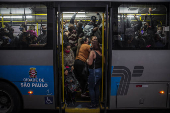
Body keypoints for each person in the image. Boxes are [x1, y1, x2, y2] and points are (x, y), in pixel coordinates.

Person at [86, 40, 103, 108]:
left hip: (94, 72)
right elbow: (104, 61)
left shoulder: (93, 52)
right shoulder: (101, 52)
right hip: (100, 71)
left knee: (91, 88)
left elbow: (90, 63)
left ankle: (93, 103)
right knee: (97, 88)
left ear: (93, 45)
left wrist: (87, 60)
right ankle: (97, 103)